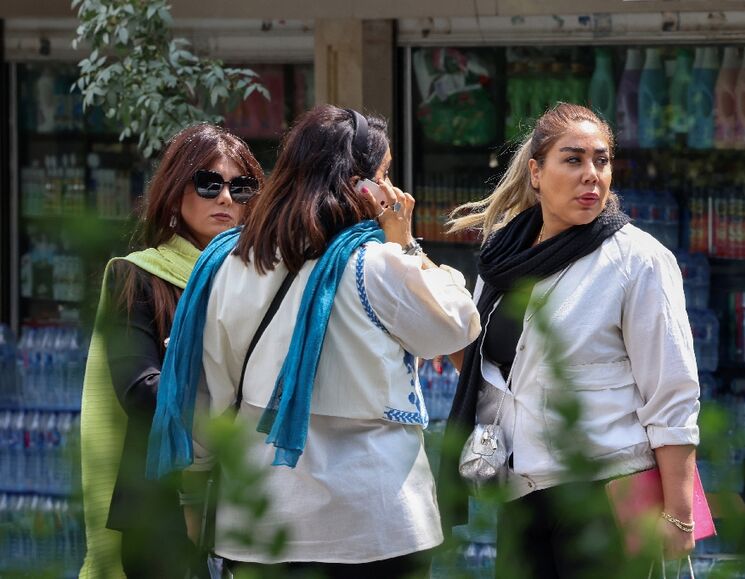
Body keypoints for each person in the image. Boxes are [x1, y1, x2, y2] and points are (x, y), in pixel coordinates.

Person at [146, 105, 482, 577]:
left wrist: (195, 492)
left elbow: (206, 399)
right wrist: (404, 243)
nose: (389, 190)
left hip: (261, 523)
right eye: (384, 175)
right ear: (360, 183)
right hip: (376, 522)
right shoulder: (379, 265)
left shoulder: (228, 263)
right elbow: (457, 324)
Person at [442, 103, 701, 578]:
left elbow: (673, 393)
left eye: (601, 161)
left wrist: (679, 515)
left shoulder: (638, 261)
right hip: (522, 491)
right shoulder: (503, 257)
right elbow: (490, 373)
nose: (591, 175)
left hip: (608, 488)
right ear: (536, 173)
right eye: (574, 159)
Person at [79, 123, 264, 578]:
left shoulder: (260, 281)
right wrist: (236, 405)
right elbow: (139, 389)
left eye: (240, 187)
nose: (225, 198)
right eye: (208, 183)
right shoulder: (137, 276)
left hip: (244, 496)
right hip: (159, 505)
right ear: (176, 191)